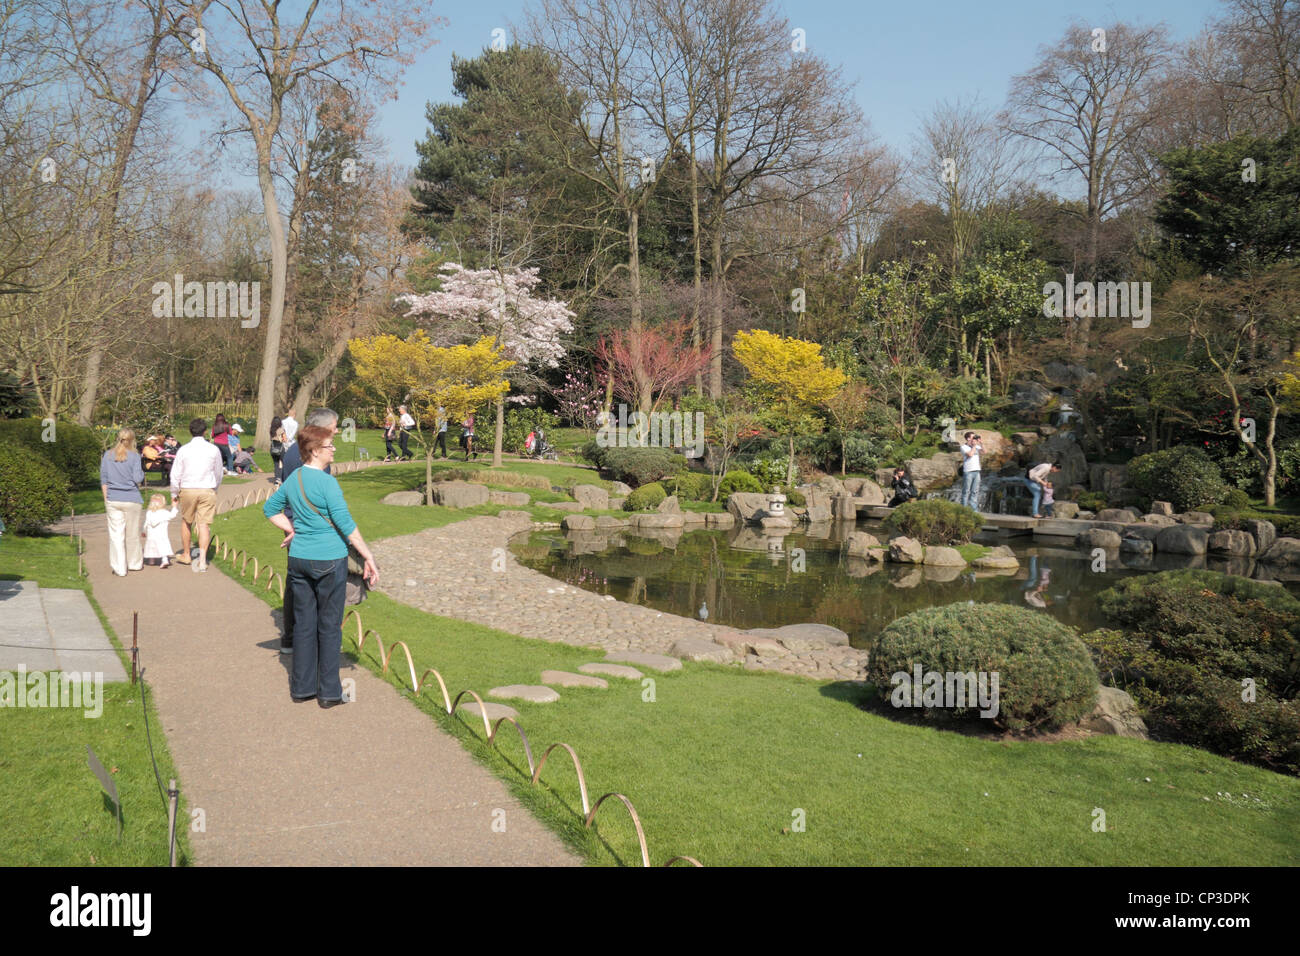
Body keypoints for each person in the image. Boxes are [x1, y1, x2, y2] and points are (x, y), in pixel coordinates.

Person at [263, 424, 378, 707]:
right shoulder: (328, 483)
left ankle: (301, 688)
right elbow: (346, 525)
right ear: (315, 450)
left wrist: (292, 530)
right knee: (329, 626)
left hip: (299, 559)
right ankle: (328, 692)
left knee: (303, 624)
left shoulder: (295, 479)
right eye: (329, 445)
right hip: (328, 560)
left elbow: (269, 510)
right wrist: (368, 557)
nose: (334, 449)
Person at [277, 408, 340, 655]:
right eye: (334, 427)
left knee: (298, 579)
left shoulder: (296, 450)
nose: (337, 431)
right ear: (322, 429)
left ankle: (294, 637)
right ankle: (305, 639)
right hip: (307, 526)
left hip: (297, 523)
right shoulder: (309, 456)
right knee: (310, 582)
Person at [170, 417, 224, 572]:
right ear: (205, 431)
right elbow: (219, 472)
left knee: (186, 521)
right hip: (207, 488)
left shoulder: (183, 450)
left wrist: (174, 492)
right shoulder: (213, 449)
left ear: (190, 431)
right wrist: (215, 488)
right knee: (203, 524)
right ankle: (201, 560)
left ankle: (187, 554)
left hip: (188, 488)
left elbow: (175, 474)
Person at [100, 428, 144, 577]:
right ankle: (134, 563)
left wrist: (106, 498)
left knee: (116, 535)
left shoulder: (107, 455)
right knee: (132, 533)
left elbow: (103, 479)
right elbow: (138, 478)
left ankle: (120, 568)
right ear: (132, 440)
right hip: (132, 499)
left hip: (113, 498)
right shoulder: (135, 456)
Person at [142, 493, 178, 568]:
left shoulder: (149, 513)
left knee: (151, 546)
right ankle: (164, 560)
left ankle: (151, 560)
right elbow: (172, 515)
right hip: (162, 535)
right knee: (163, 547)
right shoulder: (164, 513)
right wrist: (174, 507)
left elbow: (146, 522)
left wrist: (143, 531)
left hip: (151, 535)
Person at [959, 431, 983, 511]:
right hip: (968, 471)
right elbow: (970, 454)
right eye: (973, 437)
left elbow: (984, 452)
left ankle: (974, 510)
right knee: (966, 491)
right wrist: (974, 446)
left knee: (975, 491)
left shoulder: (976, 446)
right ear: (968, 438)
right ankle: (964, 510)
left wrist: (981, 443)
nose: (974, 438)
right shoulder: (963, 447)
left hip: (977, 471)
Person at [269, 416, 287, 485]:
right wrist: (282, 439)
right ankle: (282, 477)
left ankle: (277, 479)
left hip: (273, 448)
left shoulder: (271, 430)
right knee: (283, 463)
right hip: (280, 448)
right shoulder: (281, 430)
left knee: (276, 464)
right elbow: (285, 440)